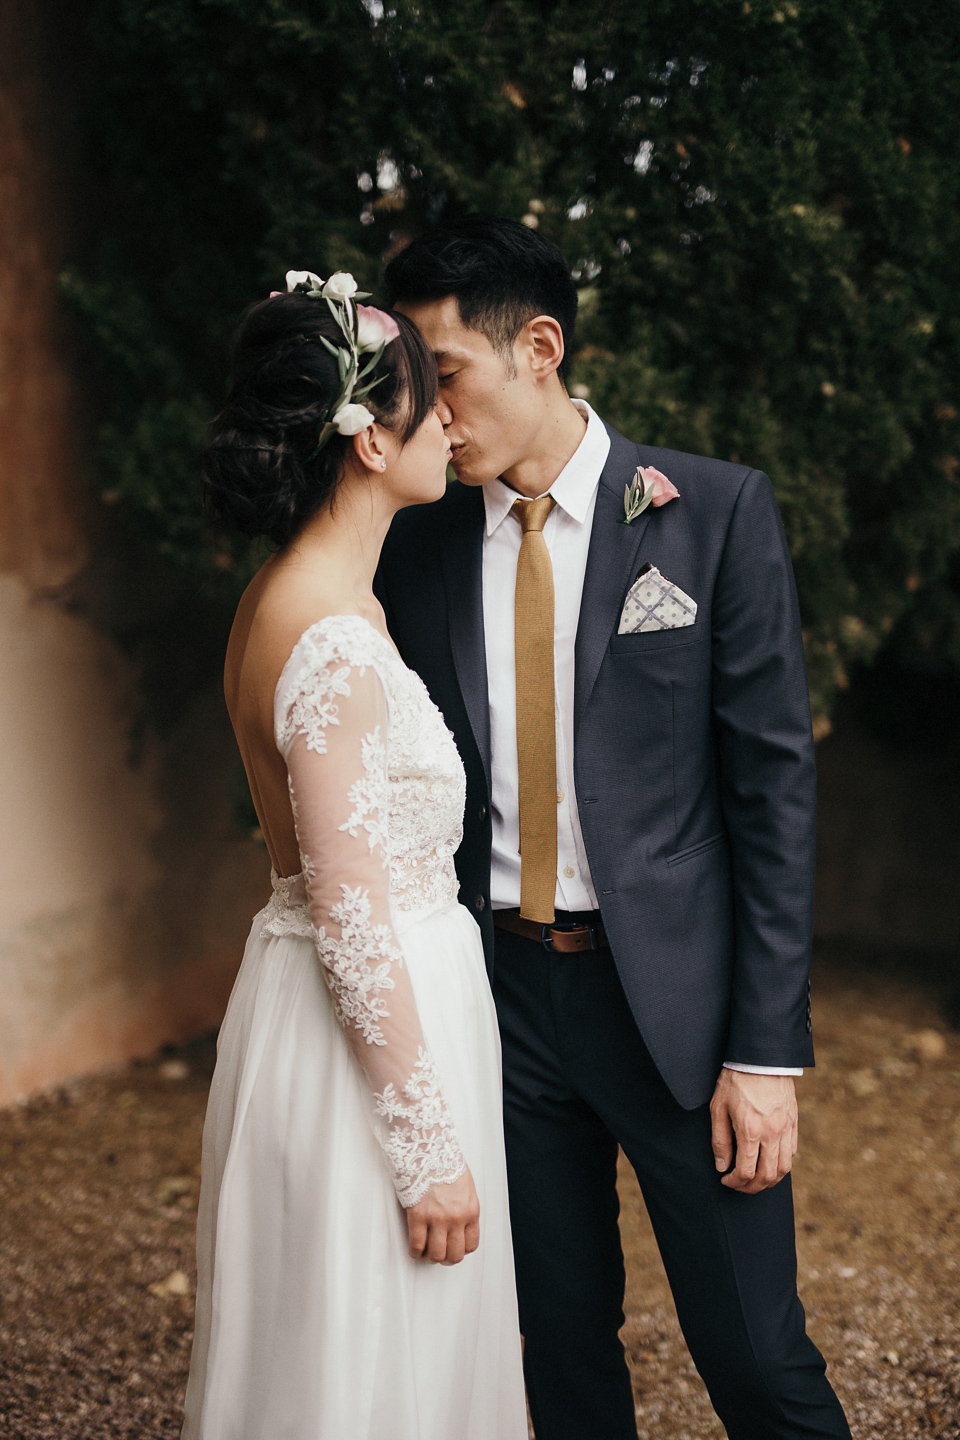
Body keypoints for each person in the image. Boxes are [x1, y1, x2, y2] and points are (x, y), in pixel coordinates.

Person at [376, 215, 852, 1440]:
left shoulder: (714, 514)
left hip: (680, 1017)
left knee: (757, 1361)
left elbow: (770, 797)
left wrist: (765, 1053)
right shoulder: (414, 545)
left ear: (540, 346)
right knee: (559, 1352)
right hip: (505, 1007)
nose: (429, 409)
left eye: (448, 374)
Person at [181, 270, 527, 1440]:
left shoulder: (316, 601)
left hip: (384, 1024)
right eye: (430, 407)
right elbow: (350, 913)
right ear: (371, 441)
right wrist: (426, 1150)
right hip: (363, 1055)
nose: (452, 426)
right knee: (364, 1376)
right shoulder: (325, 630)